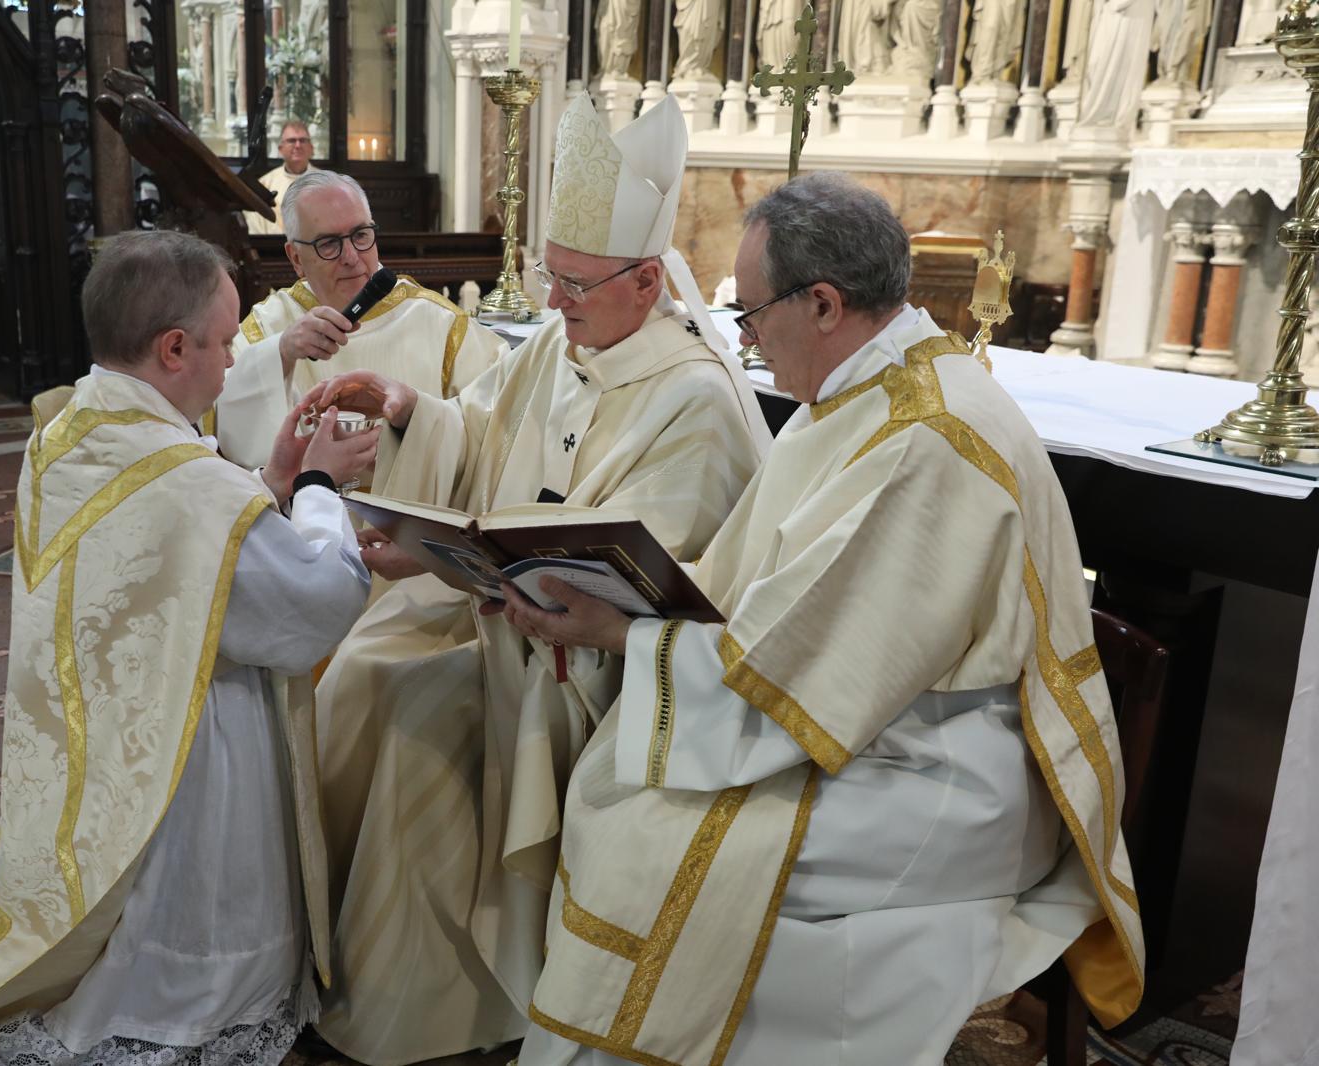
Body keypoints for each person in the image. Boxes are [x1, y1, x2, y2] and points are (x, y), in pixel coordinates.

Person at [502, 173, 1145, 1066]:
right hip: (870, 717)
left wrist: (617, 635)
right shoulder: (853, 394)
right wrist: (619, 595)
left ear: (826, 304)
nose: (748, 340)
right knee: (629, 795)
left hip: (943, 764)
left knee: (666, 839)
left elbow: (799, 674)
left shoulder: (923, 439)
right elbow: (771, 593)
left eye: (753, 315)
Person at [296, 95, 772, 1065]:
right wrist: (405, 409)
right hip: (490, 611)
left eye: (574, 285)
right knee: (353, 668)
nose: (551, 304)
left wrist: (539, 591)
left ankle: (426, 1008)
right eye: (547, 278)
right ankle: (330, 957)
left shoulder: (695, 399)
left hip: (588, 664)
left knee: (410, 703)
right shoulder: (561, 340)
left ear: (646, 283)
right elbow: (475, 426)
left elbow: (665, 578)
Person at [0, 229, 381, 1065]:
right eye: (224, 342)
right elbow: (312, 606)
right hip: (192, 752)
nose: (232, 363)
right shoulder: (190, 483)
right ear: (173, 347)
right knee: (186, 921)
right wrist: (322, 490)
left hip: (103, 738)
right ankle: (187, 1000)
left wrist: (272, 483)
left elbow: (170, 562)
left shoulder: (70, 427)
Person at [211, 170, 504, 471]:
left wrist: (413, 413)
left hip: (414, 512)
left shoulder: (440, 323)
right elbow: (217, 415)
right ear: (295, 258)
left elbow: (496, 418)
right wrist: (281, 355)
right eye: (328, 243)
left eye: (361, 235)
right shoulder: (270, 326)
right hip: (300, 514)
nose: (351, 256)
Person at [246, 120, 321, 235]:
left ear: (311, 148)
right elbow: (256, 228)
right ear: (280, 149)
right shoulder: (264, 185)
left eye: (303, 140)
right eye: (291, 141)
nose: (297, 145)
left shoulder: (327, 183)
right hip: (273, 249)